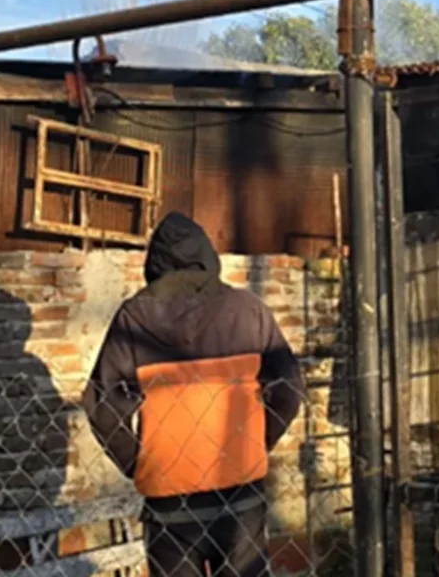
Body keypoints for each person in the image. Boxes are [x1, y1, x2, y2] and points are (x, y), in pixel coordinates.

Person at [83, 212, 304, 577]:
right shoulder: (247, 310)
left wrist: (139, 463)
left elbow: (102, 404)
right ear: (207, 255)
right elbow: (289, 390)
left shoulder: (134, 317)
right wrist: (257, 443)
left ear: (155, 263)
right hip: (239, 490)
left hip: (169, 499)